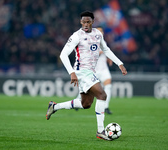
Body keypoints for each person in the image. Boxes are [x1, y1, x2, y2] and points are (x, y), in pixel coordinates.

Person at [46, 11, 127, 141]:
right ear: (80, 22)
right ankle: (100, 131)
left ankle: (55, 106)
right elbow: (63, 55)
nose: (86, 24)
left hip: (90, 72)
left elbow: (106, 49)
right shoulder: (76, 36)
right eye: (83, 22)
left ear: (93, 22)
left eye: (88, 22)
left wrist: (120, 63)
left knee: (86, 104)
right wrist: (71, 73)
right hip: (81, 72)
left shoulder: (98, 34)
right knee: (102, 95)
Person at [75, 27, 113, 114]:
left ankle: (106, 107)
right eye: (99, 31)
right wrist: (102, 51)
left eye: (102, 31)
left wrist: (109, 58)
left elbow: (105, 52)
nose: (101, 32)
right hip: (93, 70)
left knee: (108, 86)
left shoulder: (104, 42)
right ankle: (77, 100)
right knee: (86, 88)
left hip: (103, 69)